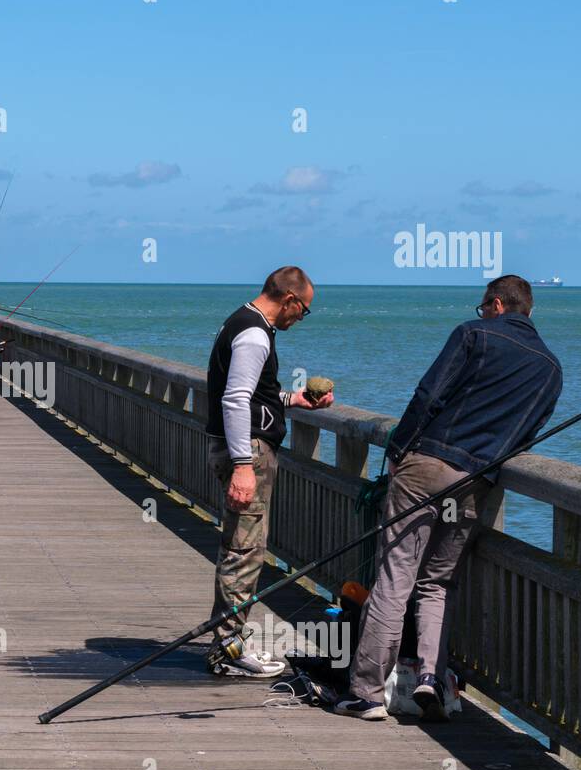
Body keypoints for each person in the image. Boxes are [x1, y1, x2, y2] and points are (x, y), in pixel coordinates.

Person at [335, 275, 562, 722]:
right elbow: (527, 433)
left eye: (484, 307)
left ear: (496, 305)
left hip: (427, 464)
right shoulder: (551, 370)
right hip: (476, 480)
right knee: (437, 582)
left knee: (395, 578)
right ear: (528, 312)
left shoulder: (472, 334)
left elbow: (428, 395)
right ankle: (431, 677)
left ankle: (365, 693)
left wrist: (398, 450)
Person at [205, 266, 333, 678]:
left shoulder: (240, 322)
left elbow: (254, 393)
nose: (301, 318)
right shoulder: (256, 334)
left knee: (239, 547)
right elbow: (235, 399)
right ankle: (228, 649)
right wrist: (243, 465)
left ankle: (227, 642)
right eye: (304, 310)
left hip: (240, 446)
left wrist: (292, 399)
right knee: (244, 552)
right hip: (249, 453)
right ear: (290, 300)